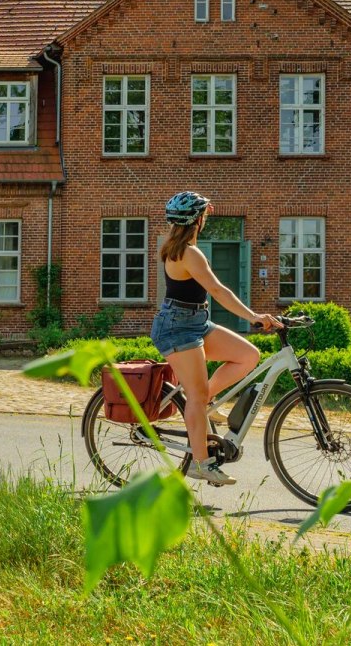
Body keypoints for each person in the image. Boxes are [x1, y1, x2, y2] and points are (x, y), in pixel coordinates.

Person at [152, 191, 282, 485]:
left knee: (248, 356)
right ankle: (201, 463)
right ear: (197, 221)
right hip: (177, 327)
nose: (206, 219)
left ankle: (202, 403)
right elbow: (220, 291)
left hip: (196, 321)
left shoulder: (179, 247)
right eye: (204, 215)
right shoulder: (188, 252)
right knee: (195, 397)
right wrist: (253, 317)